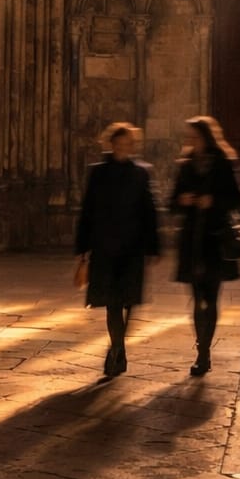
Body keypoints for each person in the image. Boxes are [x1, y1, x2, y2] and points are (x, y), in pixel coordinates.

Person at [74, 122, 160, 379]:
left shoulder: (141, 173)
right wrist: (82, 248)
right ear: (111, 144)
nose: (123, 148)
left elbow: (149, 212)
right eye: (119, 144)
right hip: (105, 247)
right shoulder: (98, 173)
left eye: (128, 144)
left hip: (132, 249)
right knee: (113, 304)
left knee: (130, 301)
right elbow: (87, 211)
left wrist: (153, 247)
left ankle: (117, 348)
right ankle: (118, 349)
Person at [170, 115, 240, 377]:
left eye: (194, 136)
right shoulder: (186, 165)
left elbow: (237, 198)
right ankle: (201, 347)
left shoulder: (224, 162)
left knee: (210, 299)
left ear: (205, 137)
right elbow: (172, 204)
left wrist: (212, 201)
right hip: (192, 241)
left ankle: (204, 353)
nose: (190, 141)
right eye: (189, 137)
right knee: (196, 299)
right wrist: (184, 200)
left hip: (214, 239)